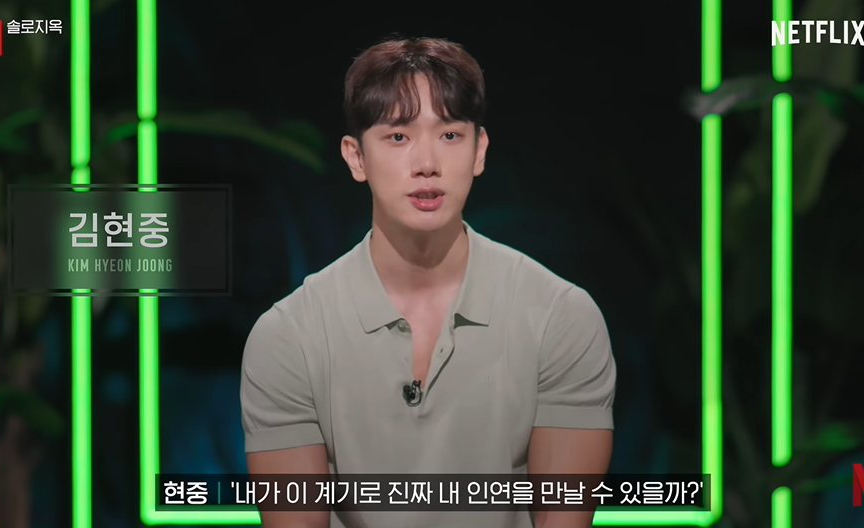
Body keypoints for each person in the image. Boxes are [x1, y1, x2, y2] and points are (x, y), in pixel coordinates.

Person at [240, 36, 616, 528]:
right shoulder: (287, 337)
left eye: (450, 135)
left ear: (479, 151)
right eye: (398, 137)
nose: (427, 164)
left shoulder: (561, 318)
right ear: (356, 157)